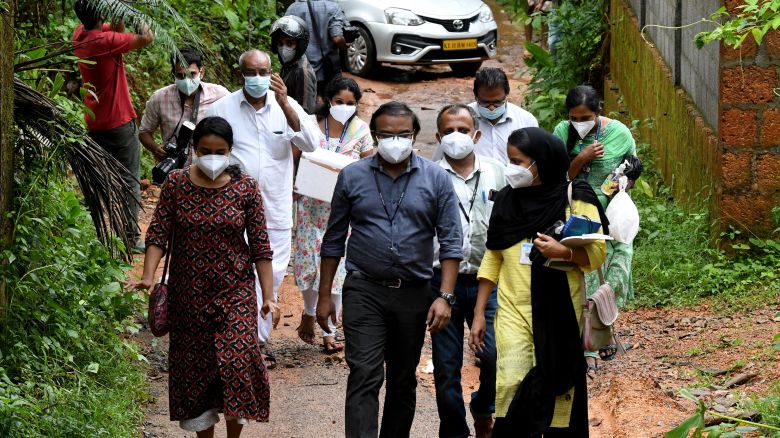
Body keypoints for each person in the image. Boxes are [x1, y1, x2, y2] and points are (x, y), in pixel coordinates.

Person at [317, 101, 463, 438]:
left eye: (403, 135)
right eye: (386, 135)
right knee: (364, 373)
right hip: (364, 288)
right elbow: (334, 238)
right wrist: (325, 296)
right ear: (374, 136)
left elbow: (452, 241)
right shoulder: (352, 176)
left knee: (401, 377)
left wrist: (445, 296)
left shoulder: (436, 178)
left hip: (414, 292)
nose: (395, 141)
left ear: (414, 136)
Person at [130, 116, 275, 437]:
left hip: (236, 293)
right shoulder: (176, 184)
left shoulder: (246, 187)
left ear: (230, 151)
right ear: (194, 150)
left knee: (238, 364)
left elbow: (261, 247)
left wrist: (269, 297)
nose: (212, 156)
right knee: (196, 373)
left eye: (220, 150)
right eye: (205, 149)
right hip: (188, 297)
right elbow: (158, 234)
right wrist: (148, 275)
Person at [469, 127, 607, 437]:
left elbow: (597, 255)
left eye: (518, 162)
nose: (512, 169)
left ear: (541, 161)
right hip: (512, 311)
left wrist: (564, 253)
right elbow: (493, 257)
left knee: (558, 385)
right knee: (511, 383)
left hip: (560, 312)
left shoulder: (575, 197)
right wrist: (479, 312)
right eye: (510, 161)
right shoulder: (506, 201)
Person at [206, 49, 320, 366]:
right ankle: (239, 338)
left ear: (272, 73)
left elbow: (311, 144)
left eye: (263, 72)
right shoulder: (221, 109)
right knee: (233, 271)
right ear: (240, 73)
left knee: (272, 274)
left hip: (276, 209)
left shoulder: (286, 107)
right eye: (250, 72)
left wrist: (285, 103)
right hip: (231, 210)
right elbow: (202, 154)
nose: (257, 79)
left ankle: (254, 340)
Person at [431, 104, 506, 438]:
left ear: (476, 135)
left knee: (491, 356)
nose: (456, 137)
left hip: (487, 279)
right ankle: (454, 431)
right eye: (448, 131)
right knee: (446, 366)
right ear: (438, 137)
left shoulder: (497, 172)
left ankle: (482, 406)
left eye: (463, 129)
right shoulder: (428, 175)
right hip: (441, 280)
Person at [552, 85, 639, 372]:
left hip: (612, 213)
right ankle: (589, 346)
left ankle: (605, 326)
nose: (579, 122)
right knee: (586, 276)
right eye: (574, 117)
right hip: (578, 213)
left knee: (618, 269)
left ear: (598, 112)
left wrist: (625, 180)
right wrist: (581, 158)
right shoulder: (561, 133)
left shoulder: (619, 133)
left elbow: (633, 167)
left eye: (585, 116)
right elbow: (556, 177)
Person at [294, 76, 373, 353]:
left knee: (338, 267)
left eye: (351, 103)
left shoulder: (362, 131)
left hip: (344, 210)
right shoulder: (312, 127)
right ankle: (308, 310)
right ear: (329, 101)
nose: (344, 106)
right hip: (310, 205)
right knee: (308, 263)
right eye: (340, 102)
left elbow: (368, 166)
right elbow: (296, 155)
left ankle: (329, 331)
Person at [72, 0, 154, 252]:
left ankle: (89, 232)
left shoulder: (81, 35)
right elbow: (146, 37)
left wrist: (118, 14)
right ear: (101, 14)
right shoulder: (105, 42)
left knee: (98, 178)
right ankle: (130, 239)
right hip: (118, 122)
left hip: (94, 121)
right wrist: (134, 13)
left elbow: (114, 32)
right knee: (130, 179)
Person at [139, 46, 230, 164]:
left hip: (209, 168)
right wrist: (155, 148)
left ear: (201, 72)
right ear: (173, 74)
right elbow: (144, 132)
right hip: (174, 170)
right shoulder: (160, 98)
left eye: (192, 74)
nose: (187, 80)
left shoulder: (219, 95)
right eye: (180, 75)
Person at [433, 67, 538, 164]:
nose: (491, 108)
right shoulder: (460, 119)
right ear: (475, 96)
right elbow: (439, 161)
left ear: (507, 94)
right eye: (485, 103)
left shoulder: (526, 120)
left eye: (497, 102)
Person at [285, 0, 347, 99]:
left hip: (300, 69)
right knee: (329, 104)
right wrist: (345, 46)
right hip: (325, 70)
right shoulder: (333, 7)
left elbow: (286, 38)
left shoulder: (293, 8)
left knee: (301, 106)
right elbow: (337, 38)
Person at [271, 15, 318, 114]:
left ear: (300, 45)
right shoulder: (289, 64)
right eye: (280, 43)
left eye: (289, 43)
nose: (284, 48)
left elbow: (305, 114)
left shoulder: (302, 73)